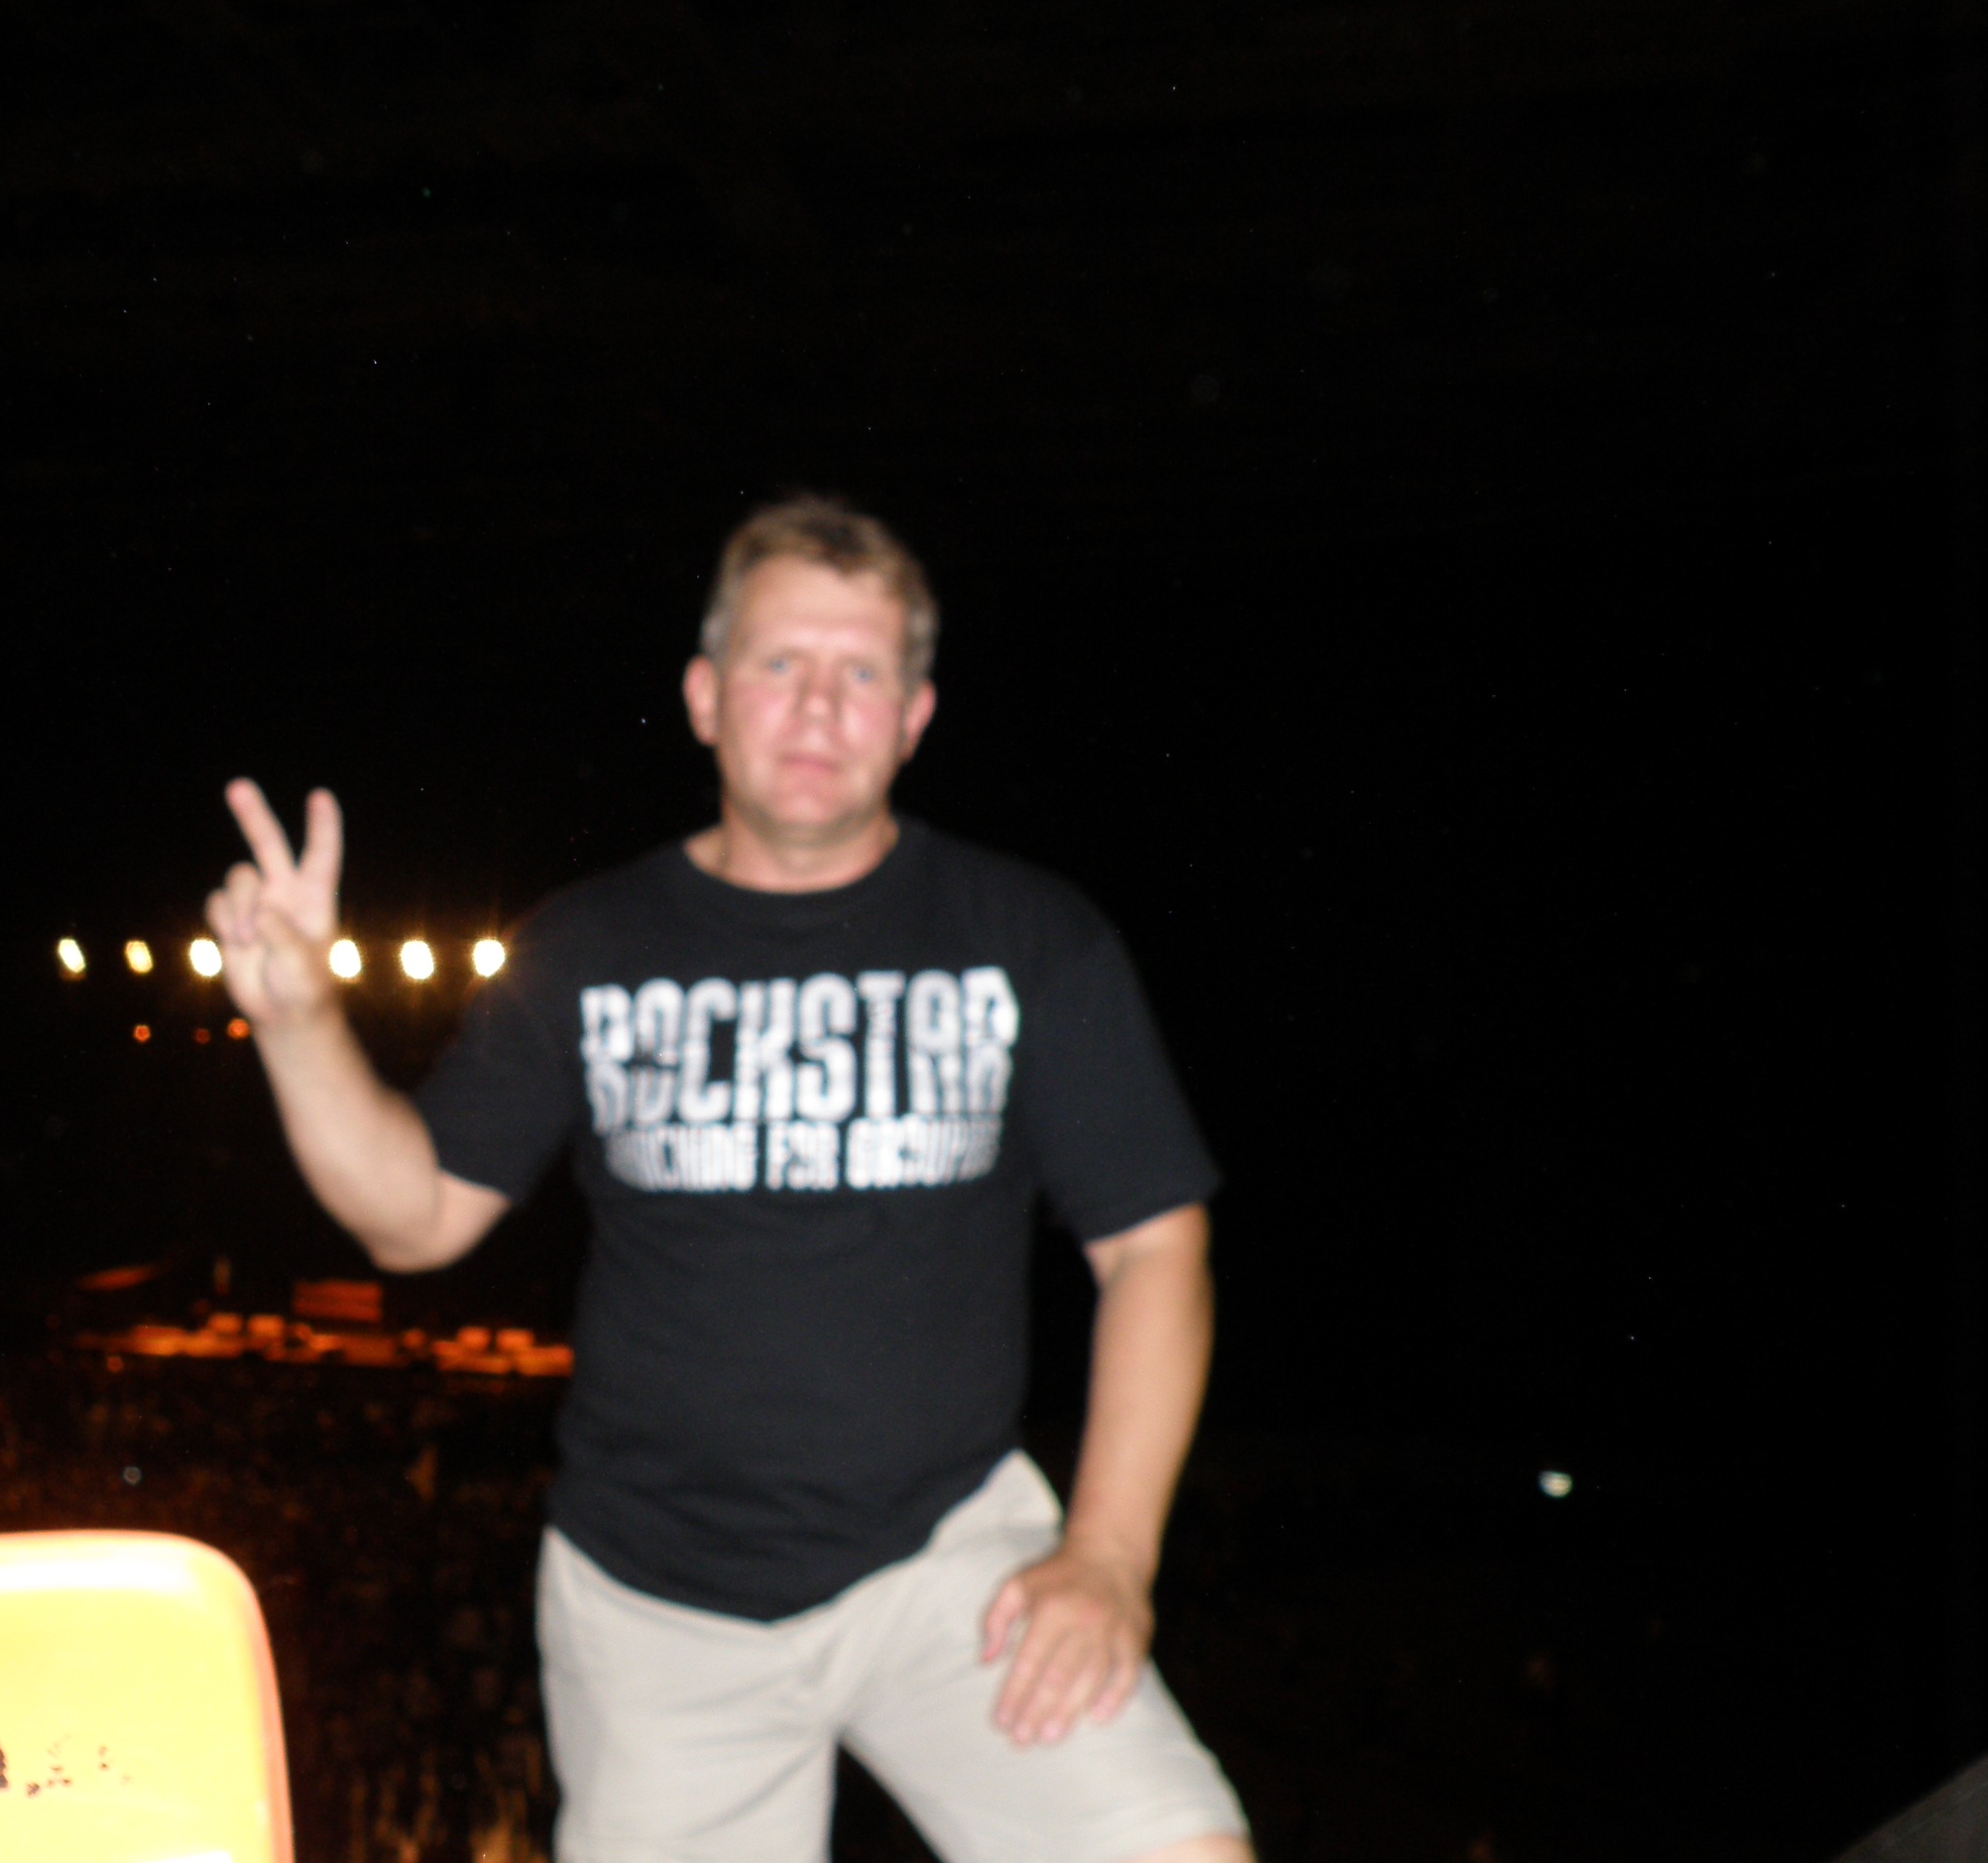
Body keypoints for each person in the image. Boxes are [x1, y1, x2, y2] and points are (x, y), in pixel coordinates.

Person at [206, 495, 1252, 1863]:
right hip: (658, 1605)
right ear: (704, 697)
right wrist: (298, 1025)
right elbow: (415, 1220)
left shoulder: (1031, 940)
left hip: (950, 1563)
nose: (818, 707)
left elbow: (1155, 1247)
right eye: (780, 663)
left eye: (861, 672)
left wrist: (1108, 1556)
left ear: (914, 717)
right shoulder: (588, 946)